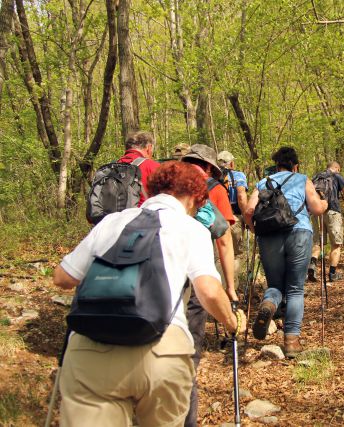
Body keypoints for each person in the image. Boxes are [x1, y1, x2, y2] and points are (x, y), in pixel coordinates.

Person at [53, 161, 243, 426]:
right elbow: (209, 292)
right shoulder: (192, 229)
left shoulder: (111, 222)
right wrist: (232, 322)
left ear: (153, 190)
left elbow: (63, 278)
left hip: (91, 345)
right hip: (161, 352)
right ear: (193, 198)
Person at [244, 147, 327, 357]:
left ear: (276, 165)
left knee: (275, 284)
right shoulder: (302, 179)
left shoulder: (264, 182)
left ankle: (270, 303)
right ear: (295, 165)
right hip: (299, 233)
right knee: (295, 289)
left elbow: (249, 211)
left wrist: (256, 231)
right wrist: (325, 203)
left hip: (269, 236)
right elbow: (316, 208)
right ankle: (291, 341)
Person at [181, 144, 238, 427]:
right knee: (187, 352)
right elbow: (224, 239)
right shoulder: (212, 187)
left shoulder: (161, 178)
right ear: (209, 167)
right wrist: (229, 287)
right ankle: (185, 418)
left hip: (148, 277)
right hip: (195, 273)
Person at [308, 161, 344, 282]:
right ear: (337, 168)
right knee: (336, 244)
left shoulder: (316, 176)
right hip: (333, 211)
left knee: (318, 242)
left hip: (316, 212)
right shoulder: (337, 176)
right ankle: (332, 274)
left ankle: (312, 264)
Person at [217, 150, 249, 259]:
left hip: (216, 219)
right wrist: (246, 217)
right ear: (231, 163)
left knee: (219, 255)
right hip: (234, 218)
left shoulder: (212, 177)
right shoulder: (238, 175)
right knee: (235, 255)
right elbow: (241, 196)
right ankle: (233, 275)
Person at [117, 131, 161, 205]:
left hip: (113, 216)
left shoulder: (112, 167)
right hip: (144, 215)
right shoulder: (154, 167)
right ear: (149, 148)